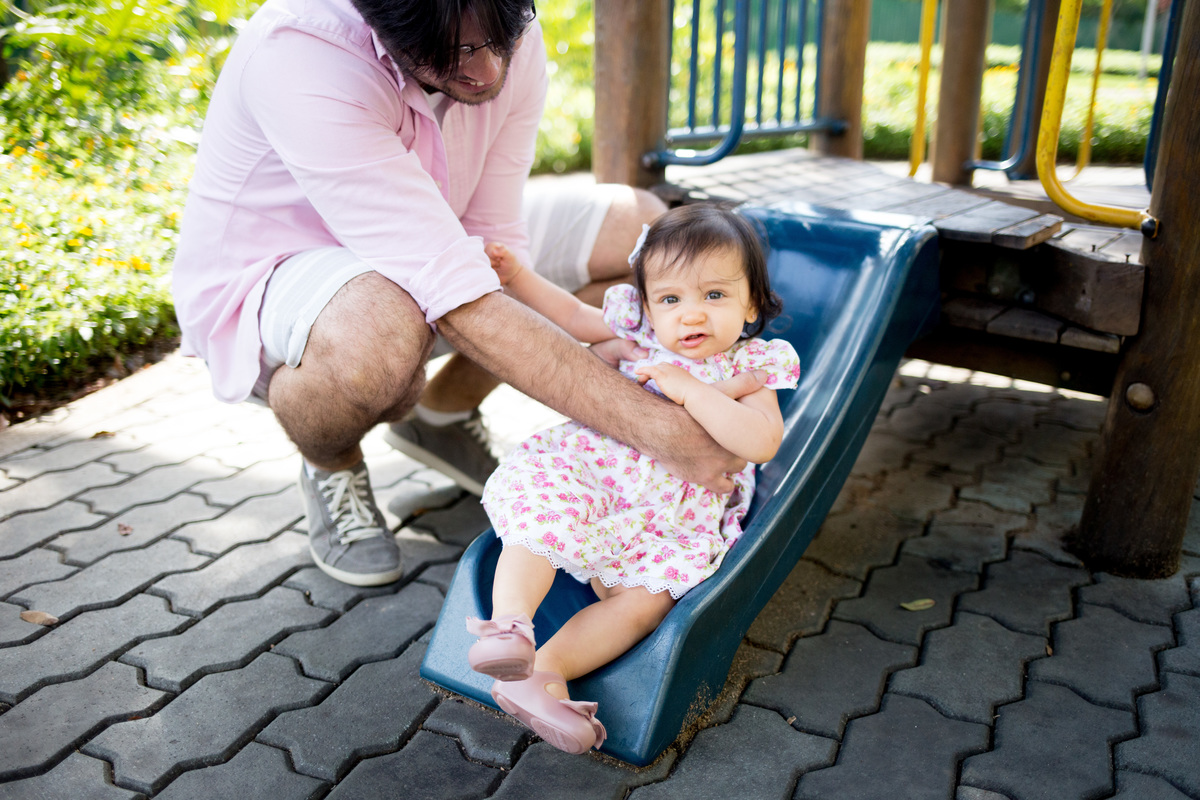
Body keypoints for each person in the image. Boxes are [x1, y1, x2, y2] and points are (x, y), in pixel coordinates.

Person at [171, 0, 764, 588]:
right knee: (381, 331)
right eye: (455, 52)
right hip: (278, 273)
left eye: (498, 40)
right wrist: (656, 431)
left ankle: (442, 416)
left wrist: (612, 352)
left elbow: (493, 239)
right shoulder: (303, 51)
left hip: (430, 232)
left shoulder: (503, 30)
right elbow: (456, 296)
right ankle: (332, 463)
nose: (486, 71)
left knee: (642, 233)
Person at [464, 204, 801, 754]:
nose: (691, 315)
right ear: (645, 306)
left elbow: (762, 441)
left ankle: (543, 673)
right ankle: (509, 628)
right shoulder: (641, 337)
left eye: (714, 295)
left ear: (751, 304)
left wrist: (693, 391)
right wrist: (518, 276)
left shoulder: (751, 367)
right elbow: (572, 316)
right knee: (541, 520)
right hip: (594, 473)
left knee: (648, 602)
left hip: (669, 515)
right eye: (671, 299)